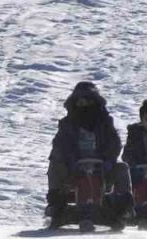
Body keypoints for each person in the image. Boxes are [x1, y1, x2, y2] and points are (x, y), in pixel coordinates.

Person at [45, 81, 132, 226]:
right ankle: (56, 205)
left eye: (88, 101)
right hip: (73, 169)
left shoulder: (105, 123)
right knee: (54, 165)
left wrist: (109, 160)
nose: (84, 105)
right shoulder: (67, 124)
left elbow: (114, 143)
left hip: (102, 169)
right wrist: (69, 160)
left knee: (122, 168)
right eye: (80, 101)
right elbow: (59, 145)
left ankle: (123, 208)